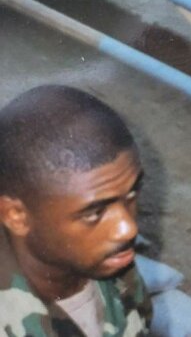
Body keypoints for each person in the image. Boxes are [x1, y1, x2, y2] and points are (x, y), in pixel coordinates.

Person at [0, 85, 150, 336]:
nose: (128, 228)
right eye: (94, 212)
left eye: (132, 193)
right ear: (16, 216)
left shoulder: (106, 259)